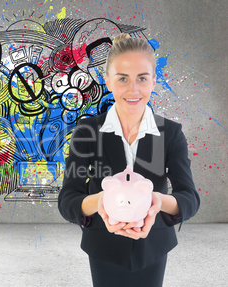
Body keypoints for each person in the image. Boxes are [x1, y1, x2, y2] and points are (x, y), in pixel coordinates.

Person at [58, 33, 200, 287]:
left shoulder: (170, 133)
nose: (133, 90)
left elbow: (189, 198)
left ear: (154, 81)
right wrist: (101, 202)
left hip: (154, 245)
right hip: (103, 245)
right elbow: (68, 200)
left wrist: (157, 201)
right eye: (123, 78)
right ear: (108, 81)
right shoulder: (87, 132)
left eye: (142, 78)